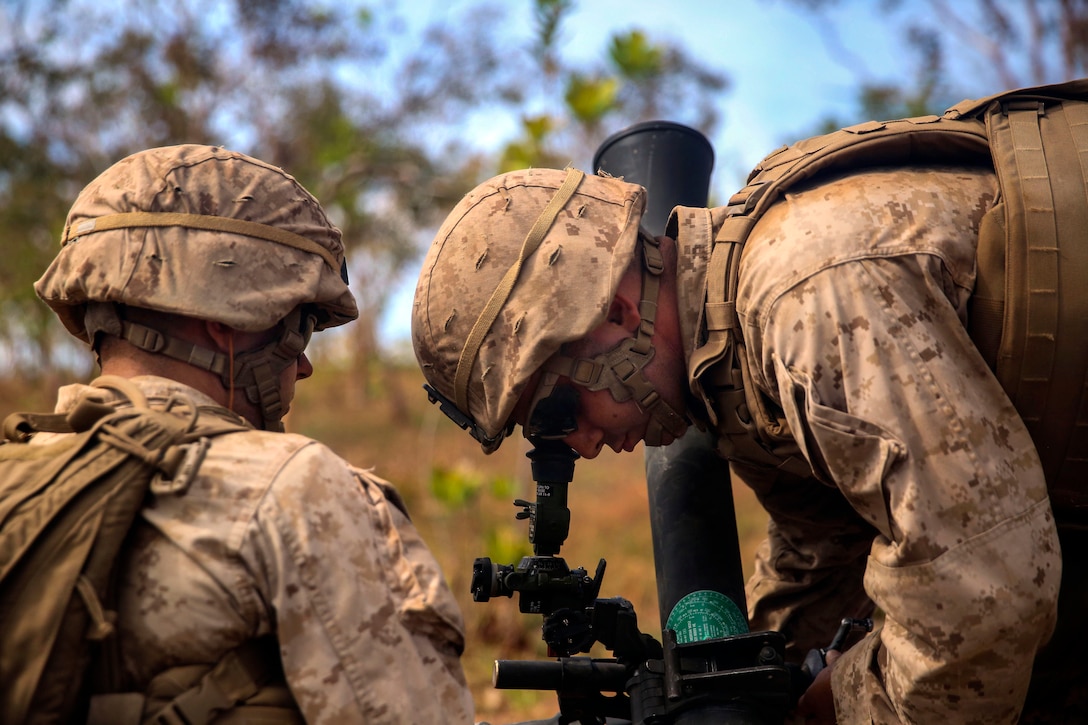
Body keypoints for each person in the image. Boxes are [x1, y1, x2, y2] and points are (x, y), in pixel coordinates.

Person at [411, 156, 1076, 723]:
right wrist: (747, 686)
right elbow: (821, 552)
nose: (581, 446)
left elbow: (984, 591)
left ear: (617, 311)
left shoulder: (804, 305)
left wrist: (835, 705)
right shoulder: (727, 361)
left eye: (559, 411)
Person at [33, 144, 474, 724]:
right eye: (299, 328)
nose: (304, 365)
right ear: (229, 319)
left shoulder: (20, 473)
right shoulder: (299, 491)